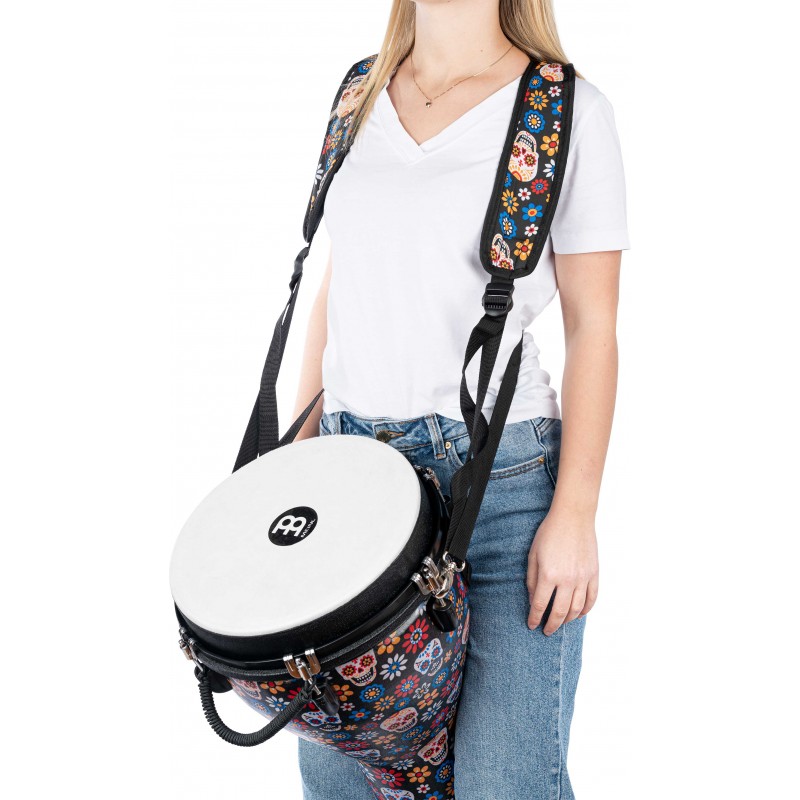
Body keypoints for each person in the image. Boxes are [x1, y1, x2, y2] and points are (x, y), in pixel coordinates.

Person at [290, 1, 629, 797]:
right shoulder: (358, 94)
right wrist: (295, 462)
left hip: (501, 489)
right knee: (341, 781)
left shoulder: (565, 111)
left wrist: (575, 513)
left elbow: (594, 327)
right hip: (349, 482)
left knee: (504, 782)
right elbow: (339, 289)